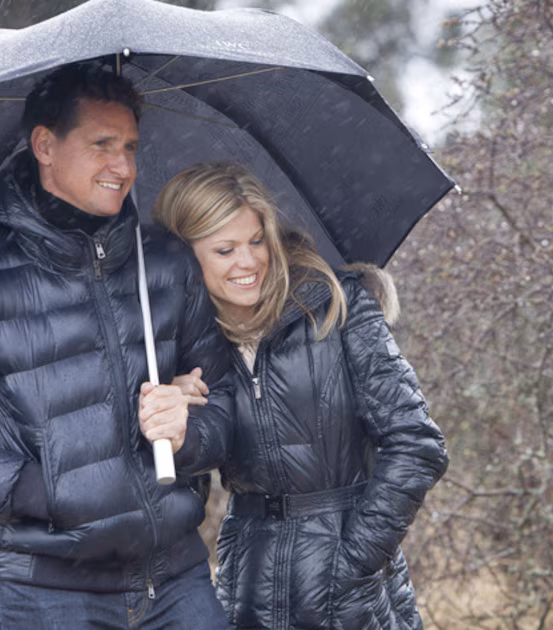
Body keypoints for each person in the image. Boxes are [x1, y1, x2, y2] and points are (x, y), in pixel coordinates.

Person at [0, 63, 235, 629]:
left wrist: (189, 431)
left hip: (177, 581)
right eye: (102, 145)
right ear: (45, 145)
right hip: (50, 595)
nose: (123, 167)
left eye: (130, 147)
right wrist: (41, 490)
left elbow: (229, 400)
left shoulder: (166, 262)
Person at [152, 161, 449, 629]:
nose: (249, 262)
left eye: (256, 241)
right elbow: (179, 499)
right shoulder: (183, 348)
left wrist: (354, 564)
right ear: (185, 258)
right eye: (225, 250)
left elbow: (417, 444)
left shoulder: (336, 305)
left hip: (353, 595)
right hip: (249, 590)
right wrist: (179, 426)